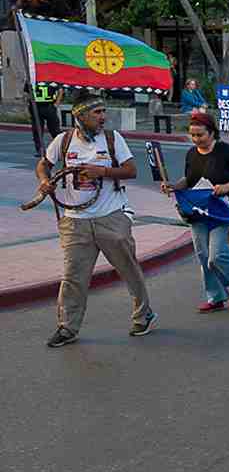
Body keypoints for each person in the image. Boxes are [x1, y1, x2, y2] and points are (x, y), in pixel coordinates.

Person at [38, 93, 157, 347]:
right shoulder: (63, 140)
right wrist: (45, 181)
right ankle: (67, 327)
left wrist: (101, 171)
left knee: (128, 269)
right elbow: (44, 165)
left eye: (104, 111)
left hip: (111, 216)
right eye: (97, 112)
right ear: (80, 116)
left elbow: (131, 170)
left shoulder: (113, 139)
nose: (103, 117)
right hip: (75, 221)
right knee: (73, 277)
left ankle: (143, 314)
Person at [160, 111, 229, 313]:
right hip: (198, 210)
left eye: (200, 135)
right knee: (203, 254)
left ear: (212, 133)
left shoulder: (227, 151)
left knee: (217, 255)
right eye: (193, 135)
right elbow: (189, 180)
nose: (196, 139)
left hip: (222, 209)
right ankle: (216, 297)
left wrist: (227, 187)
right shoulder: (191, 153)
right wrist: (174, 186)